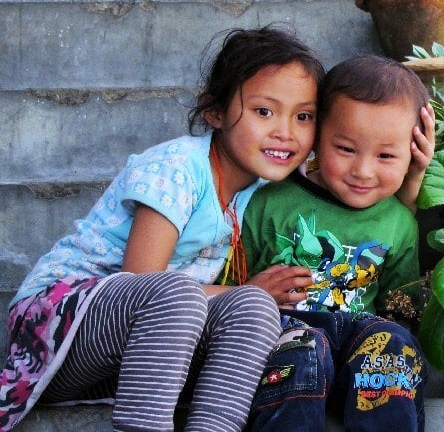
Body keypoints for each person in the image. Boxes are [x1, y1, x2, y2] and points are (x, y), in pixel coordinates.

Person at [0, 26, 325, 432]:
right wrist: (246, 288)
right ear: (215, 112)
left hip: (137, 358)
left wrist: (413, 180)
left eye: (304, 116)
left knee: (256, 308)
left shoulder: (260, 178)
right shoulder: (178, 169)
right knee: (186, 292)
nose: (286, 131)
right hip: (61, 332)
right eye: (264, 111)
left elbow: (350, 168)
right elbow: (142, 278)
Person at [238, 55, 435, 432]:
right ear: (317, 137)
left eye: (385, 156)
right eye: (345, 149)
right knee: (302, 348)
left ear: (411, 152)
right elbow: (233, 290)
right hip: (288, 341)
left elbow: (401, 305)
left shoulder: (398, 222)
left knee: (394, 343)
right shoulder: (268, 204)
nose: (363, 170)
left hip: (360, 348)